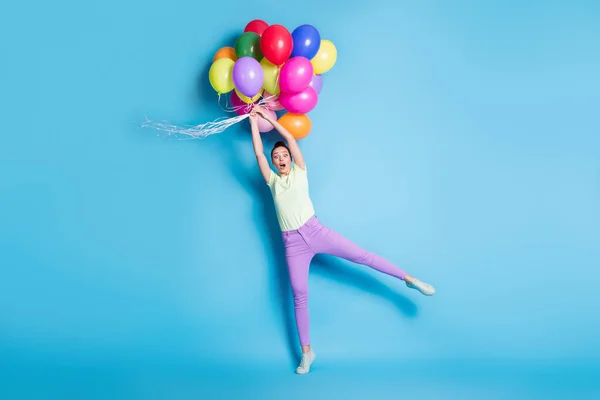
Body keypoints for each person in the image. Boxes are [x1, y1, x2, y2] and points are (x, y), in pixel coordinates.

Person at [248, 106, 435, 375]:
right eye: (276, 157)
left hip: (315, 231)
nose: (280, 159)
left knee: (363, 256)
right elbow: (257, 153)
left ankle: (409, 279)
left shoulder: (300, 171)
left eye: (283, 155)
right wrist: (254, 123)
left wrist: (270, 120)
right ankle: (307, 352)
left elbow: (290, 139)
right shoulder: (273, 182)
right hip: (293, 244)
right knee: (299, 295)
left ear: (290, 158)